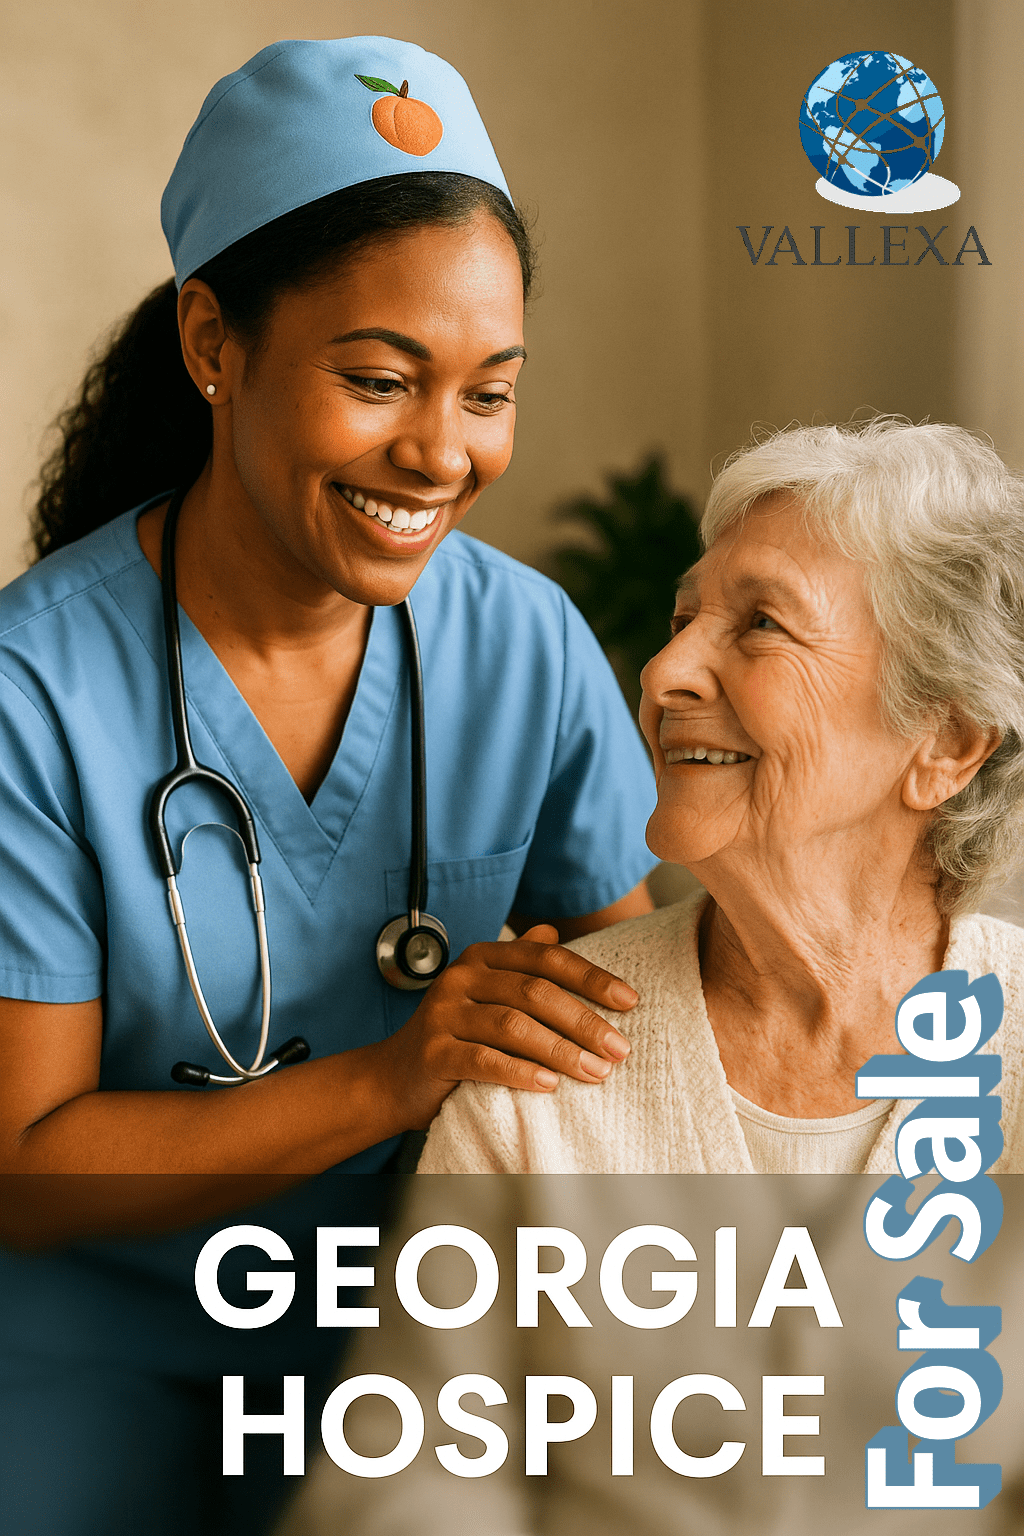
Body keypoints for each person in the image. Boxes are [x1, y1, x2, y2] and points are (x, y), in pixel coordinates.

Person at [0, 36, 657, 1536]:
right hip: (98, 1358)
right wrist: (391, 1077)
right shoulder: (31, 694)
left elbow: (632, 1016)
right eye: (379, 381)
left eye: (489, 393)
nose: (440, 453)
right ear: (213, 344)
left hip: (430, 1351)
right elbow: (24, 1169)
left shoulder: (524, 646)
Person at [419, 418, 1024, 1174]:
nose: (662, 670)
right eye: (682, 620)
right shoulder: (538, 1081)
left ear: (949, 743)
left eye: (762, 623)